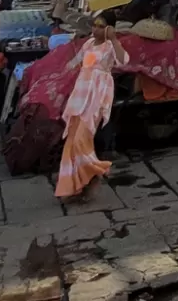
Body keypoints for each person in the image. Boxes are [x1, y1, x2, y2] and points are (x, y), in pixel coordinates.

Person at [55, 19, 129, 200]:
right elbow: (77, 63)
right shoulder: (88, 43)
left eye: (101, 26)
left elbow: (124, 61)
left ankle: (95, 172)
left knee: (82, 139)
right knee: (71, 142)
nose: (96, 29)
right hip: (80, 95)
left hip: (97, 95)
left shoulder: (111, 47)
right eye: (95, 25)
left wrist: (114, 39)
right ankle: (74, 186)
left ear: (109, 28)